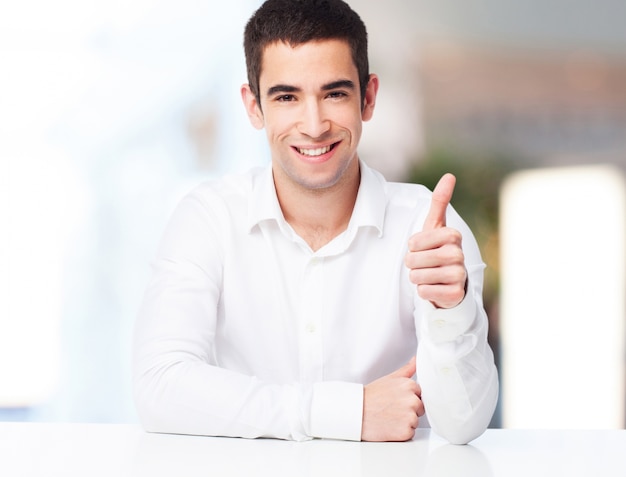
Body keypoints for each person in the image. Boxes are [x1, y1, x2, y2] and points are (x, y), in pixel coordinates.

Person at [132, 0, 498, 444]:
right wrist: (348, 412)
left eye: (335, 94)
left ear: (368, 97)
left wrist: (451, 309)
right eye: (287, 96)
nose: (314, 124)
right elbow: (159, 386)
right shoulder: (209, 217)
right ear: (253, 106)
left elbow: (464, 425)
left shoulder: (428, 229)